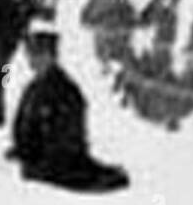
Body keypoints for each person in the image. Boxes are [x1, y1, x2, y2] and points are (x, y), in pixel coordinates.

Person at [8, 24, 129, 192]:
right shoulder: (32, 89)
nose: (32, 60)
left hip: (57, 169)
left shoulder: (66, 92)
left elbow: (66, 145)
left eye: (37, 53)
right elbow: (22, 130)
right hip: (37, 167)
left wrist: (37, 166)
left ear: (51, 56)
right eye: (31, 53)